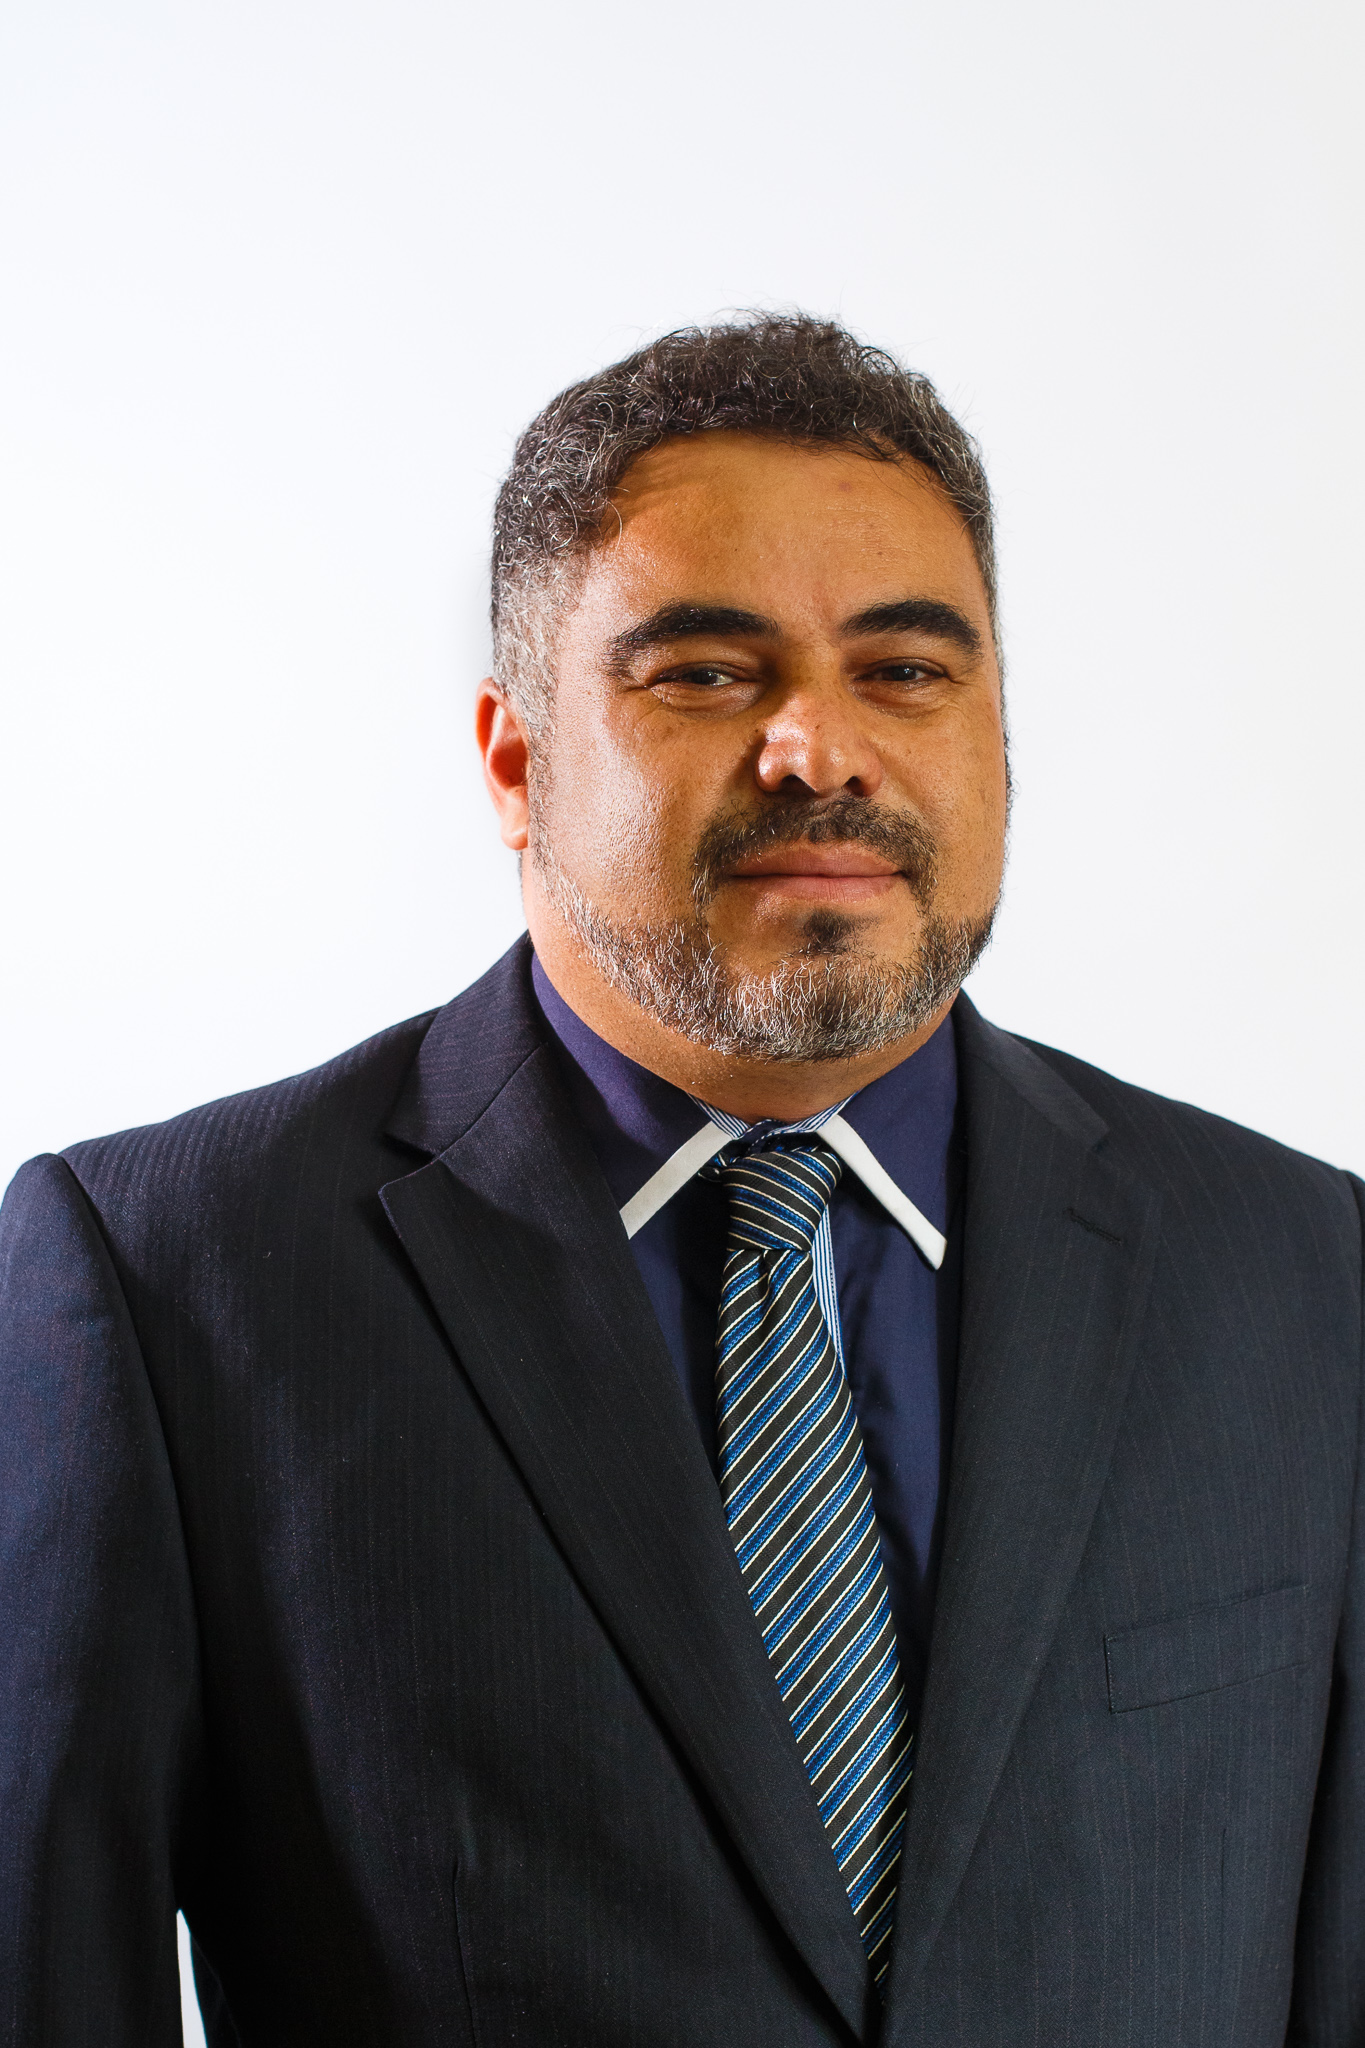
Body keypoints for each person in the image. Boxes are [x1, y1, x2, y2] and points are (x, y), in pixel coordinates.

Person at [1, 315, 1361, 2048]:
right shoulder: (163, 1283)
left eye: (905, 670)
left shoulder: (1301, 1265)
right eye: (707, 674)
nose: (819, 749)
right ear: (514, 762)